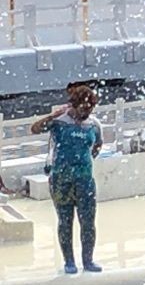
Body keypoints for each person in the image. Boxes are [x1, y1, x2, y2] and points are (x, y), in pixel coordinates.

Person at [30, 85, 103, 274]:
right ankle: (69, 261)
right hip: (61, 180)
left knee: (88, 221)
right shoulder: (59, 122)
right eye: (84, 108)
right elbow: (35, 129)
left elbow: (97, 146)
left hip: (85, 181)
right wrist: (52, 116)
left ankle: (88, 260)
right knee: (65, 221)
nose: (87, 112)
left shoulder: (94, 125)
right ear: (73, 105)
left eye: (90, 109)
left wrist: (84, 163)